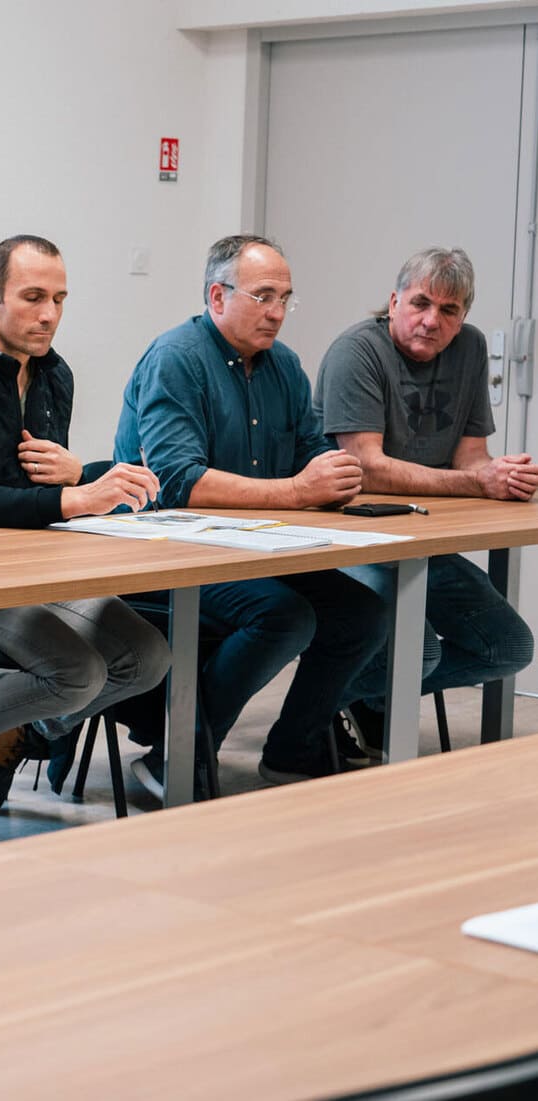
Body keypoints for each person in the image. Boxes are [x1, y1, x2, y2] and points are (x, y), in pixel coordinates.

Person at [0, 234, 168, 819]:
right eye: (31, 297)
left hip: (35, 567)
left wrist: (79, 484)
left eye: (59, 298)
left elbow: (48, 491)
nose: (48, 314)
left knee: (148, 657)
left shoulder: (55, 375)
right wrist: (75, 498)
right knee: (78, 671)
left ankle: (22, 729)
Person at [114, 233, 386, 790]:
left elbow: (311, 455)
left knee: (365, 613)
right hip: (169, 549)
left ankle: (293, 749)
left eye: (286, 298)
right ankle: (179, 754)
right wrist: (295, 491)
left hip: (258, 544)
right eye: (263, 296)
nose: (279, 312)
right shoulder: (177, 359)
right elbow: (178, 482)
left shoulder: (284, 365)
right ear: (218, 297)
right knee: (284, 616)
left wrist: (337, 476)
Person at [315, 246, 534, 746]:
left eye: (449, 310)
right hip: (350, 538)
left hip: (423, 537)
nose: (431, 320)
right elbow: (365, 469)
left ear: (462, 319)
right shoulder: (357, 351)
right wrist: (477, 482)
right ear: (393, 302)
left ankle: (353, 698)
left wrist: (502, 475)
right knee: (423, 652)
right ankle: (311, 713)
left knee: (508, 648)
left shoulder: (471, 349)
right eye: (420, 303)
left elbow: (471, 456)